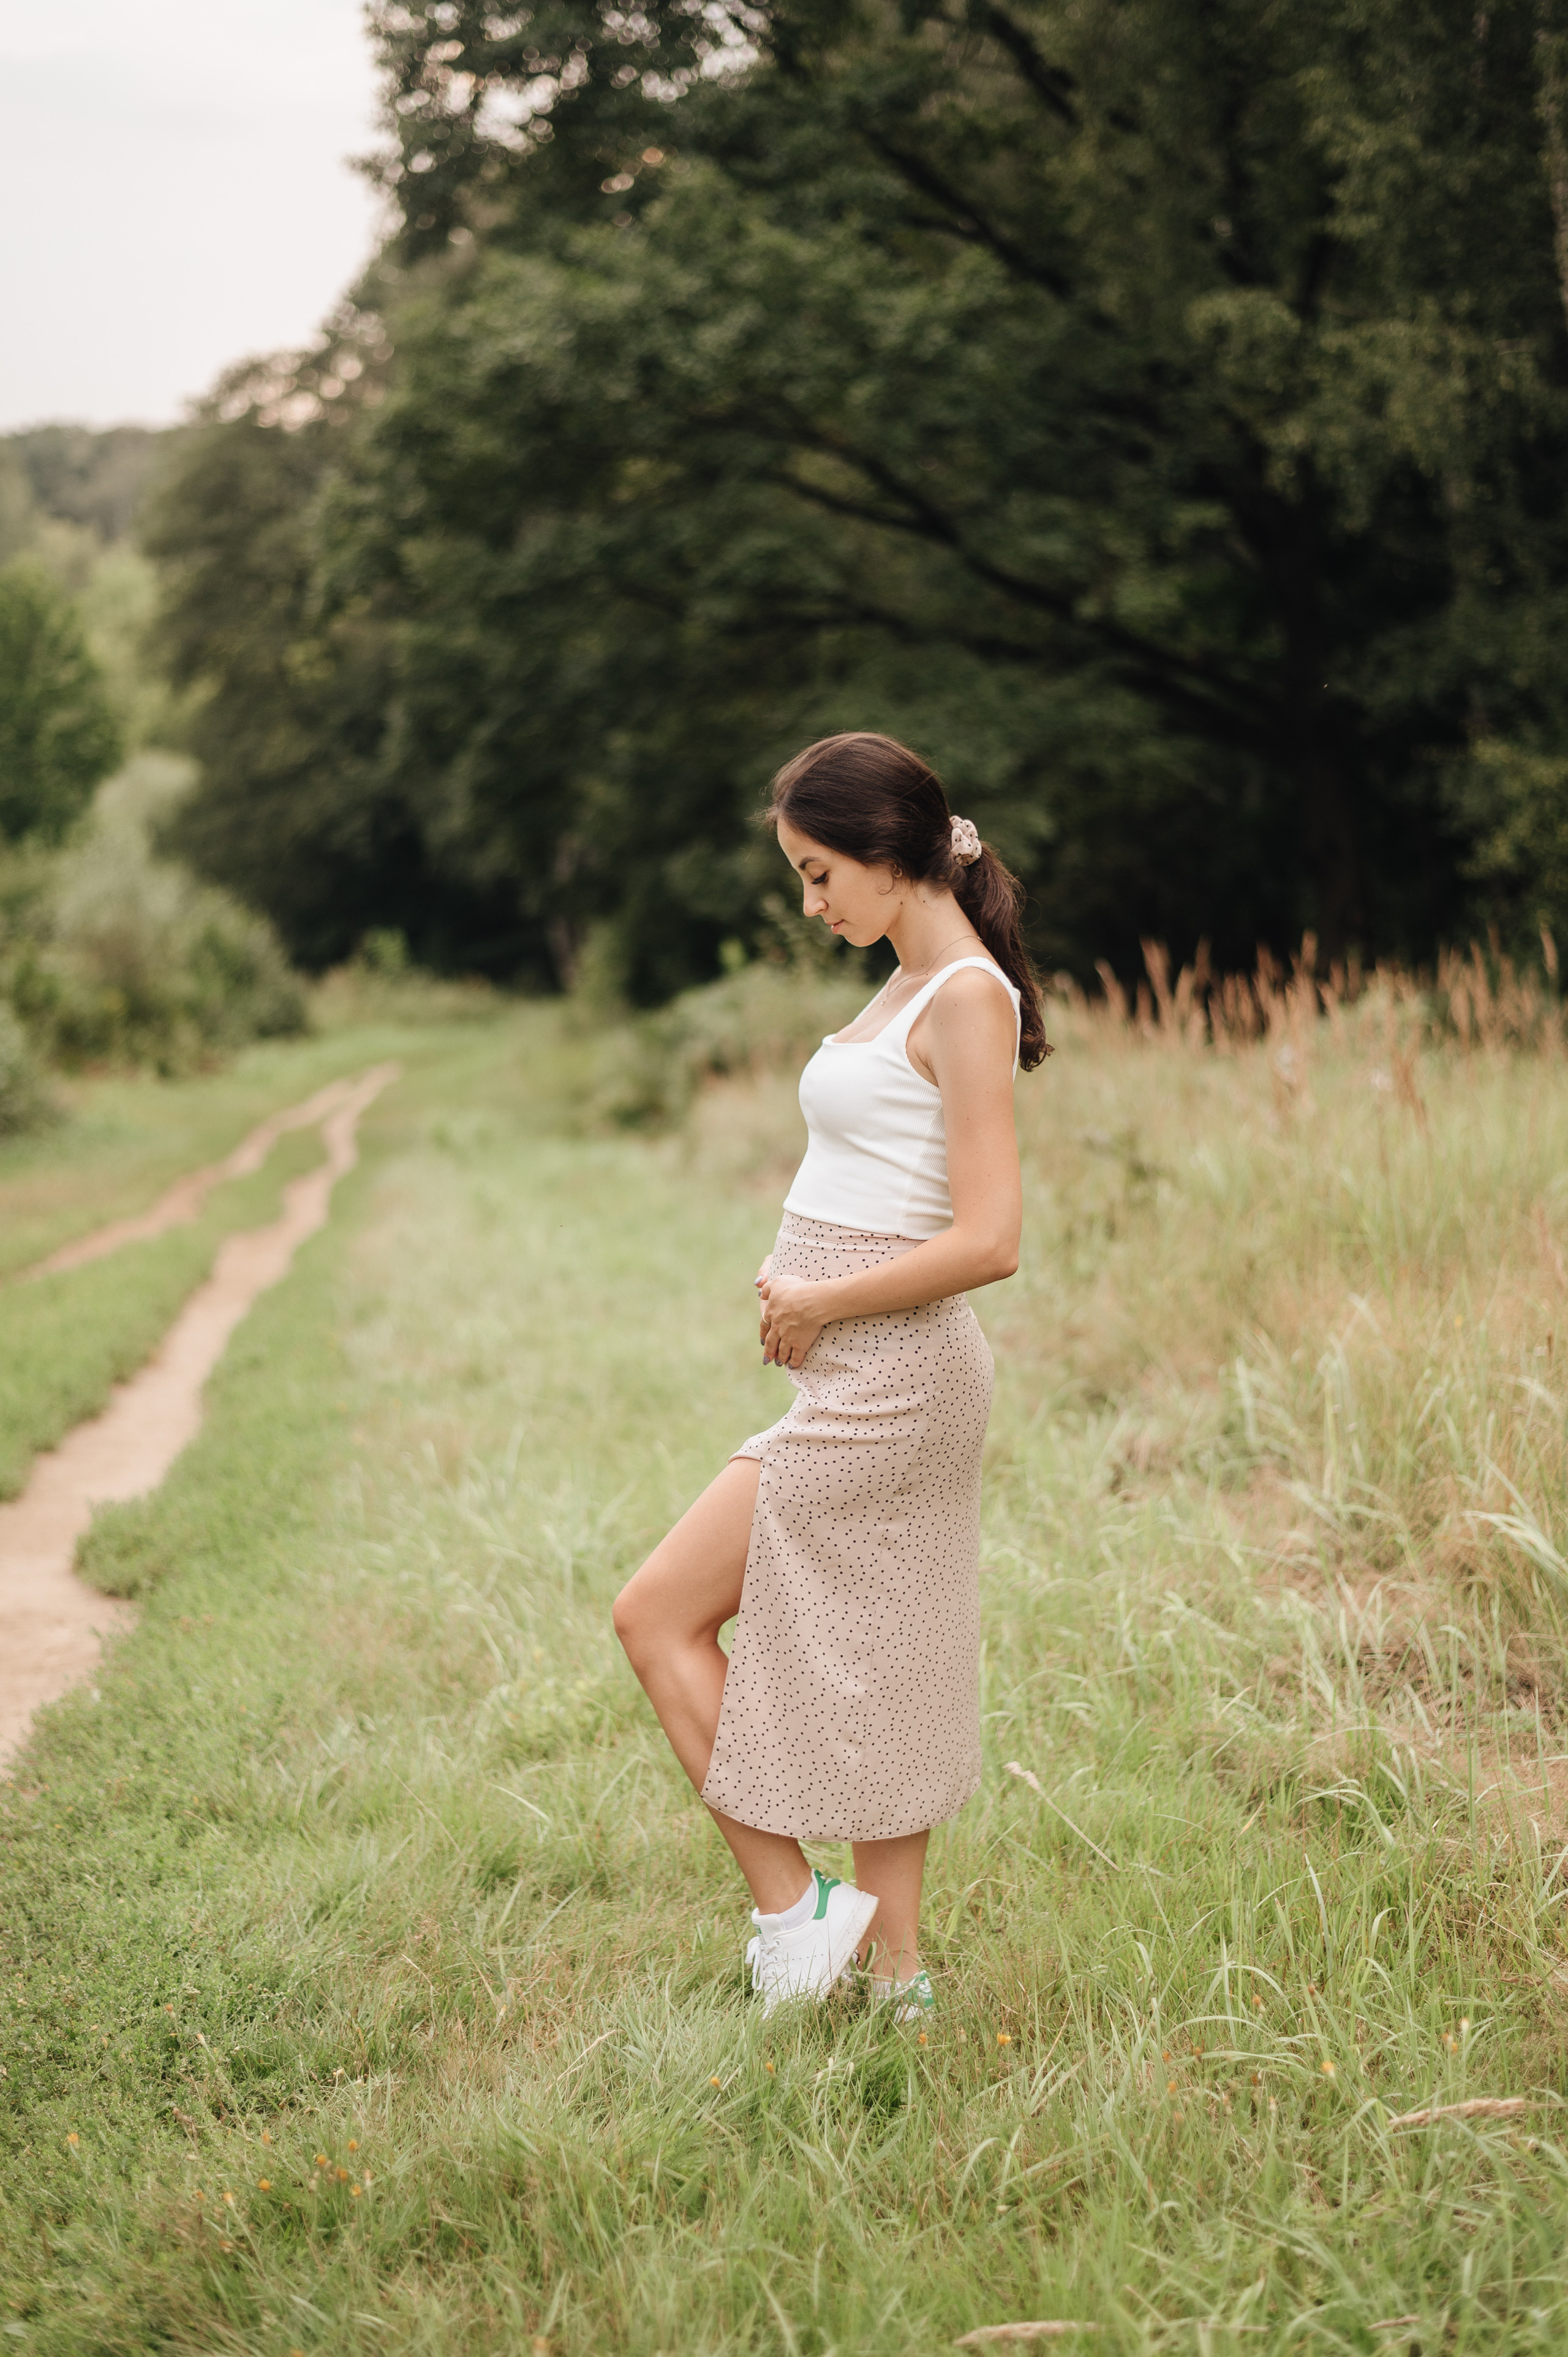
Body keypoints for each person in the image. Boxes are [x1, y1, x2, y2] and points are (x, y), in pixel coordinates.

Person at [613, 731, 1049, 2016]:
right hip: (854, 1375)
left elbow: (990, 1237)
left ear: (887, 852)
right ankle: (896, 1983)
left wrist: (817, 1297)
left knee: (655, 1614)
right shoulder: (905, 981)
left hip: (896, 1379)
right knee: (878, 1661)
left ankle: (796, 1913)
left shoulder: (964, 995)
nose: (811, 905)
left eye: (818, 874)